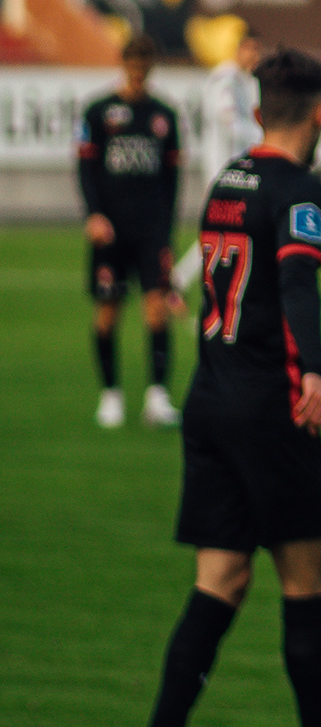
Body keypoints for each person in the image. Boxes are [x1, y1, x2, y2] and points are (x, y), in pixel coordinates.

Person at [127, 45, 321, 727]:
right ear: (320, 114)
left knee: (222, 578)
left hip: (209, 399)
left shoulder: (228, 180)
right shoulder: (298, 187)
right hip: (269, 407)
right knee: (307, 579)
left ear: (261, 110)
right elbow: (298, 283)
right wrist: (313, 372)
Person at [77, 32, 183, 430]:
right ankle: (110, 395)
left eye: (144, 68)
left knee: (157, 310)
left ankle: (157, 397)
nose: (138, 75)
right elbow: (85, 168)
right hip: (111, 230)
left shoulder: (164, 115)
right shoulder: (98, 112)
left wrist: (167, 230)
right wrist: (93, 214)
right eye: (133, 67)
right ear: (123, 65)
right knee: (108, 313)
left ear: (152, 68)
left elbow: (172, 179)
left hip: (151, 229)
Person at [178, 25, 263, 291]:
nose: (255, 56)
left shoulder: (242, 81)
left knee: (229, 229)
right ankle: (177, 282)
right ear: (239, 48)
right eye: (251, 49)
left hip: (234, 169)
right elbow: (228, 120)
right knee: (225, 229)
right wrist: (262, 138)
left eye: (258, 50)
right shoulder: (226, 79)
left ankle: (186, 282)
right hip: (221, 169)